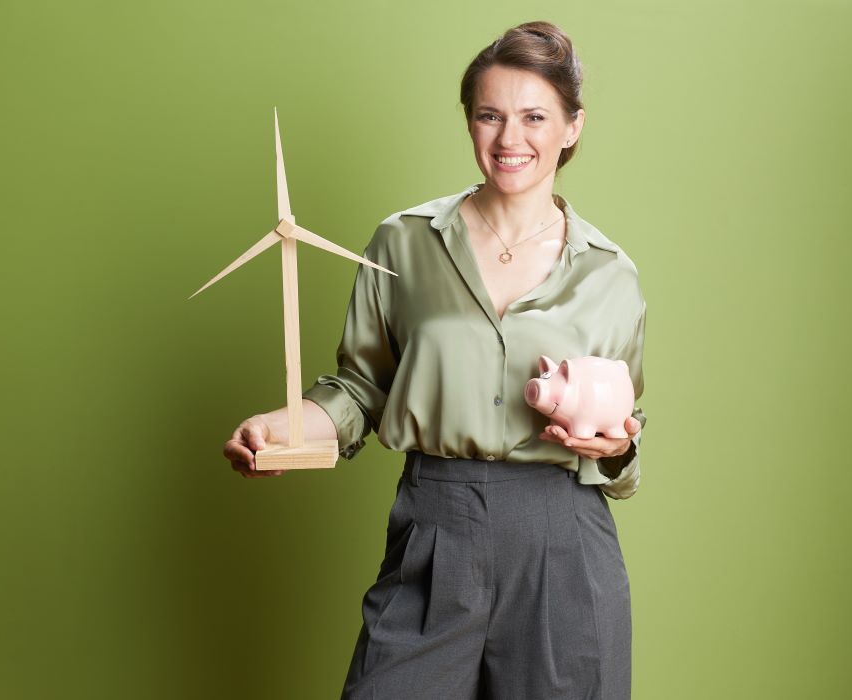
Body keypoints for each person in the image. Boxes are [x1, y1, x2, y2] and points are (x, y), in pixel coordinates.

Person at [223, 20, 647, 700]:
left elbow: (624, 443)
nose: (511, 139)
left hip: (563, 544)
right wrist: (283, 425)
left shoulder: (610, 276)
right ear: (470, 122)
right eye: (490, 115)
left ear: (571, 127)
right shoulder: (402, 244)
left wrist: (616, 444)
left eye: (534, 116)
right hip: (436, 525)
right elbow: (361, 390)